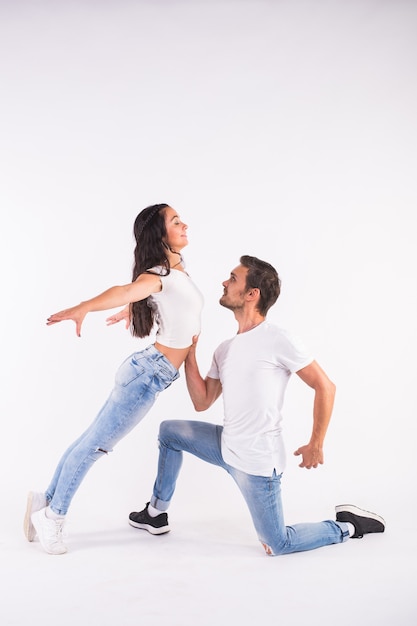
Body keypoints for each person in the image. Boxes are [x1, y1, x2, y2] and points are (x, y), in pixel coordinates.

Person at [128, 255, 385, 555]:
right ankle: (156, 514)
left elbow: (325, 386)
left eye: (233, 279)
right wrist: (190, 354)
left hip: (257, 463)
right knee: (170, 432)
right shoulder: (225, 350)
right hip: (225, 445)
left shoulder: (278, 339)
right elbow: (202, 402)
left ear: (252, 294)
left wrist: (317, 442)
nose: (224, 282)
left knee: (277, 543)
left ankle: (349, 525)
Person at [24, 204, 204, 555]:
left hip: (149, 373)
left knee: (89, 439)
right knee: (95, 446)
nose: (185, 225)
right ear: (160, 233)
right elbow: (125, 289)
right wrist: (85, 307)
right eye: (176, 222)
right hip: (146, 377)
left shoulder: (175, 271)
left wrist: (141, 305)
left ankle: (44, 501)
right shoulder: (157, 274)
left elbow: (162, 300)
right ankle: (54, 516)